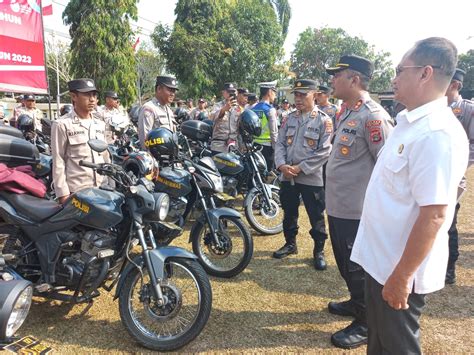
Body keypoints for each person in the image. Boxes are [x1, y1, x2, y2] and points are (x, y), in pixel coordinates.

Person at [350, 37, 468, 355]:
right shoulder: (410, 123)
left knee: (397, 346)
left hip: (398, 268)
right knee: (379, 343)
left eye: (400, 69)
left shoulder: (436, 134)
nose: (394, 77)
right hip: (381, 263)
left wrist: (402, 276)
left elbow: (434, 215)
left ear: (425, 73)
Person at [325, 55, 394, 349]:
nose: (331, 80)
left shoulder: (372, 116)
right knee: (345, 264)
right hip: (340, 207)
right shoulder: (348, 112)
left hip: (358, 212)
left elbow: (388, 166)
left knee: (358, 269)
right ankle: (357, 302)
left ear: (354, 79)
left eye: (336, 76)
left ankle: (367, 322)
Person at [273, 79, 332, 271]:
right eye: (296, 95)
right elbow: (280, 143)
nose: (297, 99)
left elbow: (324, 151)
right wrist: (282, 165)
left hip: (310, 177)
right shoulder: (289, 118)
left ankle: (319, 251)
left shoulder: (323, 120)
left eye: (302, 94)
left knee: (316, 215)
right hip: (287, 176)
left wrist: (300, 168)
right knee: (289, 212)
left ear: (314, 95)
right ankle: (290, 244)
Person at [51, 79, 109, 204]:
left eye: (94, 95)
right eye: (87, 94)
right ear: (73, 96)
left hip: (102, 189)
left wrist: (111, 184)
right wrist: (63, 194)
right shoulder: (62, 124)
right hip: (78, 192)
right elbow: (58, 161)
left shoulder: (100, 124)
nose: (92, 99)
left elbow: (106, 157)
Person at [444, 68, 474, 284]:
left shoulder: (467, 111)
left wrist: (457, 165)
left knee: (448, 223)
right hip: (431, 175)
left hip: (453, 178)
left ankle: (450, 268)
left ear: (455, 85)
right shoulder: (434, 108)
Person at [138, 75, 177, 149]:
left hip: (168, 156)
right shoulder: (149, 108)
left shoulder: (168, 110)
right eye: (170, 90)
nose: (172, 94)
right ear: (159, 89)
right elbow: (144, 139)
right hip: (155, 156)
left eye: (174, 91)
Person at [252, 81, 279, 169]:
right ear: (269, 92)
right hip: (267, 148)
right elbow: (274, 133)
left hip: (254, 146)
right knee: (267, 175)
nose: (275, 95)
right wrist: (277, 151)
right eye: (274, 92)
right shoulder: (270, 110)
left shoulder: (253, 109)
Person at [210, 83, 239, 154]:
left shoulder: (238, 108)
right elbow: (212, 118)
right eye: (229, 92)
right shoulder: (218, 106)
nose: (231, 94)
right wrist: (223, 109)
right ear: (223, 93)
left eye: (233, 92)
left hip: (233, 146)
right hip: (219, 145)